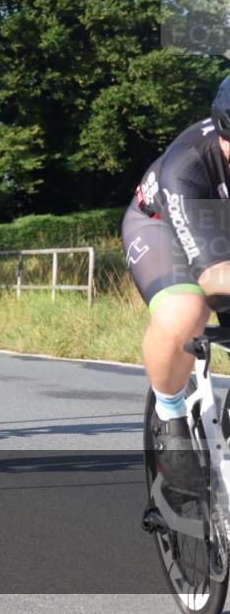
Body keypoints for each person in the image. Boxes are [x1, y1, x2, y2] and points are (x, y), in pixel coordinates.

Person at [122, 74, 230, 490]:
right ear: (222, 138)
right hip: (160, 227)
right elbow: (215, 279)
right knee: (188, 310)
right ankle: (170, 413)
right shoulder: (188, 162)